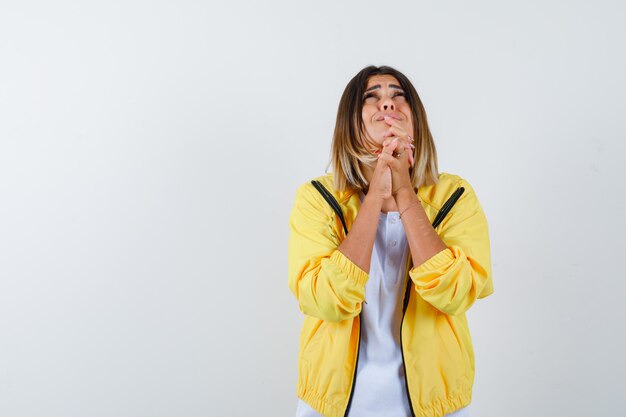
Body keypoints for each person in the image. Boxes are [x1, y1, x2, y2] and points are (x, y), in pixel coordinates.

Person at [287, 65, 494, 417]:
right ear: (350, 123)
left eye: (399, 96)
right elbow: (323, 300)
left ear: (416, 121)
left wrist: (404, 192)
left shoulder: (456, 196)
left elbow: (457, 293)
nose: (388, 104)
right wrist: (375, 196)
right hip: (331, 406)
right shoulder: (316, 198)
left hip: (437, 406)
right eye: (372, 97)